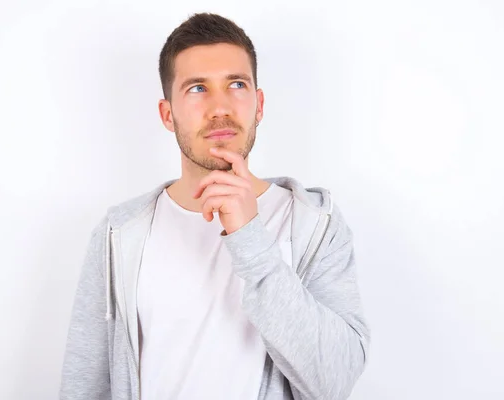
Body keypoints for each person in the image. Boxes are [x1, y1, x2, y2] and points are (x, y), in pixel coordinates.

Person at [59, 12, 370, 400]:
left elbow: (335, 380)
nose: (219, 107)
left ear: (258, 104)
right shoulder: (119, 233)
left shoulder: (313, 224)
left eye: (236, 84)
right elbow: (84, 385)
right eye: (197, 88)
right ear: (167, 114)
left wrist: (250, 238)